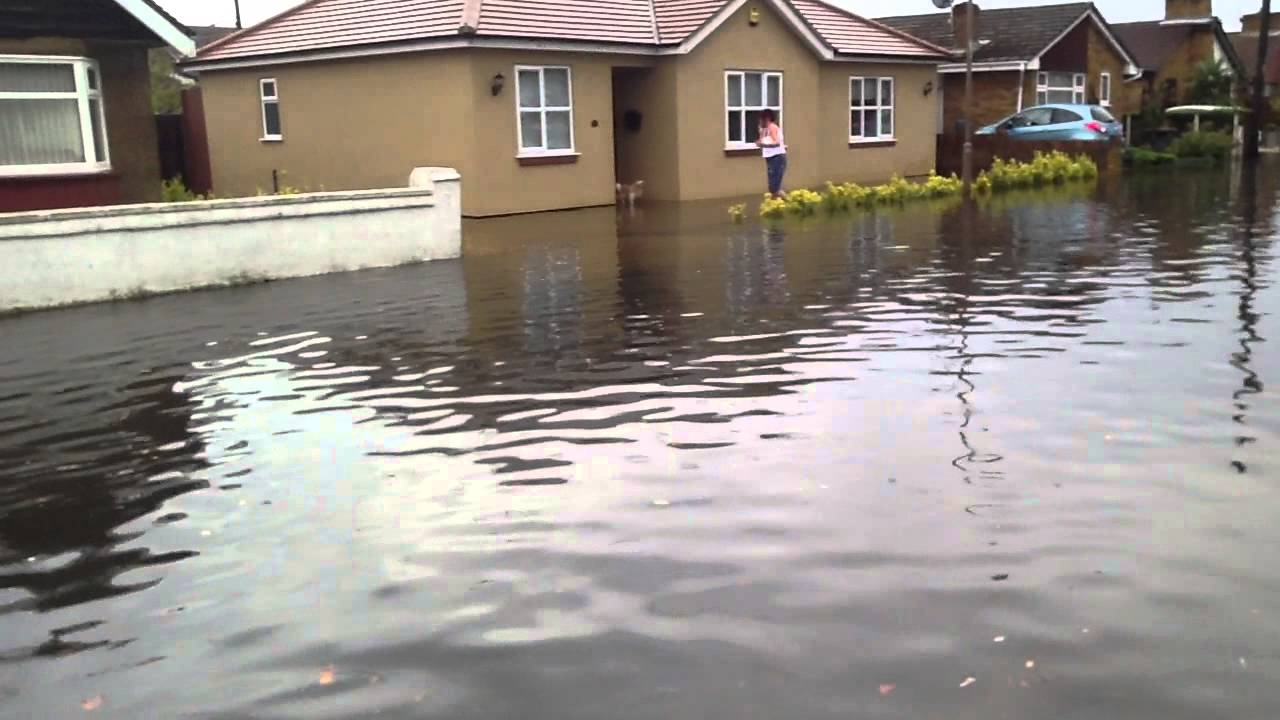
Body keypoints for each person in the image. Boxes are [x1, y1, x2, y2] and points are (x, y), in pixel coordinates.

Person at [756, 109, 787, 197]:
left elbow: (776, 143)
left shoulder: (772, 127)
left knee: (774, 187)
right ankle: (777, 206)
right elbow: (762, 143)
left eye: (761, 118)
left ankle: (789, 204)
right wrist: (761, 134)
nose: (759, 121)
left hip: (777, 158)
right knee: (772, 187)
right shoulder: (765, 129)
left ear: (767, 118)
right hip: (771, 158)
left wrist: (763, 144)